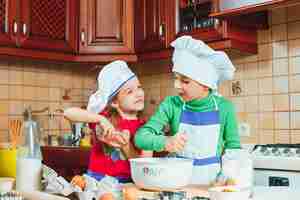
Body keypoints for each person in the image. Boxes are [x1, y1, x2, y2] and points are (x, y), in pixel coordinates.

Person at [134, 36, 241, 185]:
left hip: (210, 186)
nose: (177, 85)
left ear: (206, 85)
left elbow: (234, 150)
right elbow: (140, 138)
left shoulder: (225, 108)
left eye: (185, 81)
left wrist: (228, 177)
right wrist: (165, 142)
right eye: (176, 78)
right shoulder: (171, 104)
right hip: (176, 184)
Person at [86, 60, 151, 199]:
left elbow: (146, 168)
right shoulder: (104, 119)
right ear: (114, 102)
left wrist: (125, 146)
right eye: (130, 91)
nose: (139, 94)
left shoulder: (147, 129)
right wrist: (101, 120)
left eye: (139, 87)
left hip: (127, 187)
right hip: (97, 183)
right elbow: (69, 113)